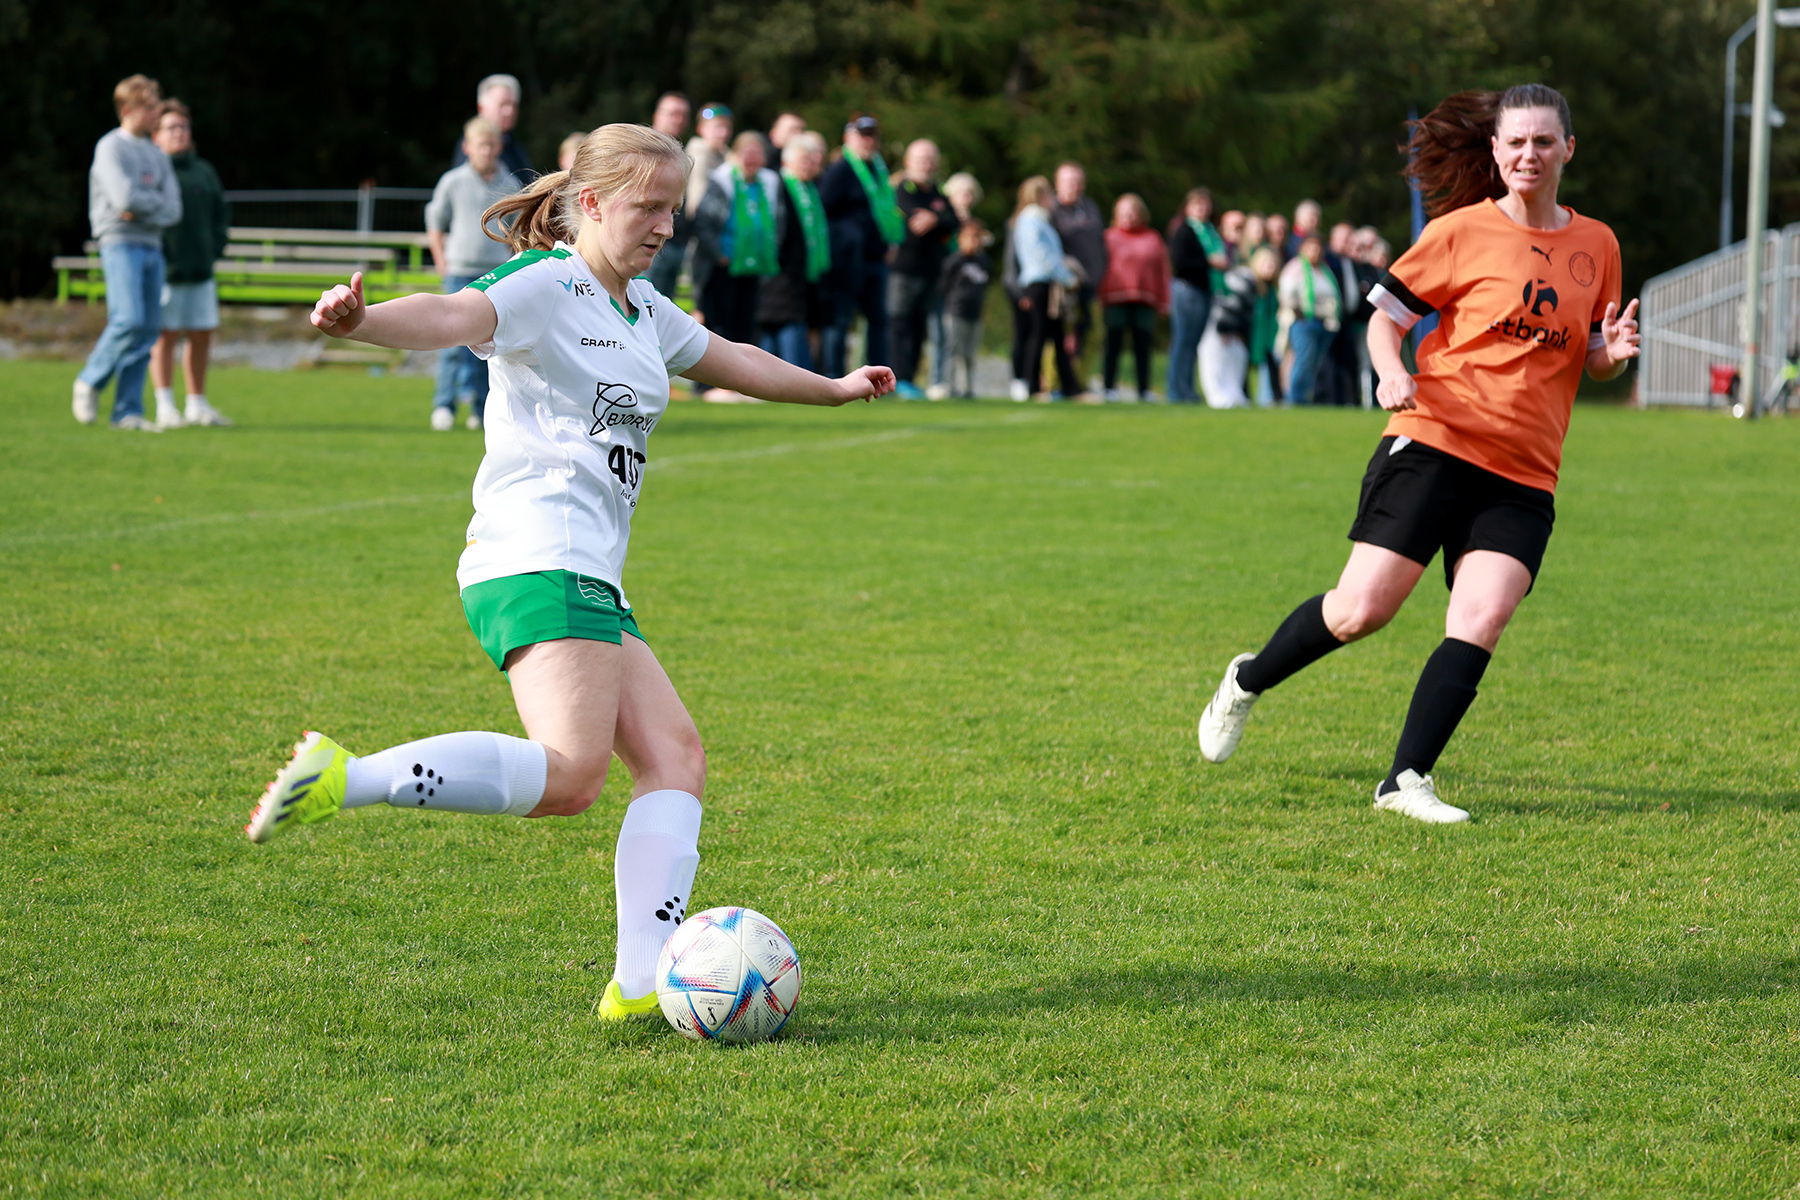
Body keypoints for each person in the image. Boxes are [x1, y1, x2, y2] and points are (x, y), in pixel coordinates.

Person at [248, 125, 896, 1027]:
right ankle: (343, 776)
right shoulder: (547, 285)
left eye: (674, 207)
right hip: (535, 555)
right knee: (572, 777)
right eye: (648, 206)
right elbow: (452, 314)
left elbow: (731, 359)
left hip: (586, 572)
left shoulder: (642, 311)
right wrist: (365, 323)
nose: (666, 225)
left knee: (674, 758)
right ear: (590, 203)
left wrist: (831, 387)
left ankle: (638, 980)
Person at [1197, 84, 1637, 824]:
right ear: (1496, 153)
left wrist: (1613, 356)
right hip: (1435, 439)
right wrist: (1390, 369)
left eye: (1544, 142)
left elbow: (1592, 357)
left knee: (1483, 615)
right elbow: (1385, 318)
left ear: (1569, 149)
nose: (1530, 154)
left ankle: (1405, 780)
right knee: (1361, 610)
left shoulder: (1598, 245)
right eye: (1516, 142)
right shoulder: (1461, 231)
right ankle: (1247, 678)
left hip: (1524, 471)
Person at [73, 74, 182, 431]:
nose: (156, 113)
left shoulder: (156, 154)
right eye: (150, 107)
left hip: (152, 243)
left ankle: (128, 411)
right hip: (119, 241)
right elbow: (122, 199)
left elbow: (174, 209)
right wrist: (146, 205)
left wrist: (141, 206)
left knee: (149, 327)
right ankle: (90, 379)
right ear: (128, 109)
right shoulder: (111, 147)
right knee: (129, 319)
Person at [426, 117, 523, 431]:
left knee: (490, 346)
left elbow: (519, 226)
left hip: (495, 275)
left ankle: (482, 410)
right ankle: (444, 405)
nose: (487, 151)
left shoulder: (510, 185)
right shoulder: (453, 181)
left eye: (492, 145)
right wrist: (442, 260)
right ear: (468, 147)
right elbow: (436, 223)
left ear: (499, 147)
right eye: (481, 145)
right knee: (452, 344)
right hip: (459, 271)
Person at [148, 98, 231, 429]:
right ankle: (165, 405)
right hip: (165, 272)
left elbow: (220, 216)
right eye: (171, 127)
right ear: (156, 135)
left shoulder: (203, 171)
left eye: (183, 127)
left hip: (201, 271)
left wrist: (214, 248)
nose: (179, 133)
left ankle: (197, 404)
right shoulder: (153, 170)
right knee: (165, 337)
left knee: (201, 335)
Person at [819, 113, 903, 376]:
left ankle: (879, 378)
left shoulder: (878, 169)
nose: (868, 141)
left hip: (875, 258)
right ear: (849, 138)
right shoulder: (841, 169)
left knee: (878, 319)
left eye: (872, 135)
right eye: (862, 135)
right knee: (841, 319)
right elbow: (824, 211)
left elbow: (885, 211)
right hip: (847, 261)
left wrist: (890, 241)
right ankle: (833, 376)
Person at [691, 131, 782, 359]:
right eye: (746, 154)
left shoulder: (770, 182)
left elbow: (779, 221)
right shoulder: (721, 180)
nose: (751, 159)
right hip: (723, 265)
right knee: (720, 323)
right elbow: (702, 220)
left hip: (755, 267)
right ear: (735, 155)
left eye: (756, 154)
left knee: (747, 324)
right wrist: (719, 254)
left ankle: (743, 380)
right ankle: (711, 384)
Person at [887, 138, 958, 399]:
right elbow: (909, 215)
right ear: (908, 162)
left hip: (931, 270)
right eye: (921, 159)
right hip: (903, 269)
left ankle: (909, 379)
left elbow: (954, 220)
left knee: (919, 327)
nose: (926, 164)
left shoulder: (939, 192)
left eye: (930, 159)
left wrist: (935, 219)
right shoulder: (901, 189)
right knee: (898, 323)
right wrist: (935, 220)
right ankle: (895, 378)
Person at [757, 132, 830, 369]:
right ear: (787, 161)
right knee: (778, 324)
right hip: (778, 272)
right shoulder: (777, 184)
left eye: (811, 159)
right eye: (803, 159)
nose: (808, 165)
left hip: (799, 274)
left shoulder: (810, 188)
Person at [1011, 175, 1082, 401]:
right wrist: (1067, 277)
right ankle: (1033, 387)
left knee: (1055, 336)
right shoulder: (1032, 220)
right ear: (1041, 195)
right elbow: (1043, 256)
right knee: (1039, 335)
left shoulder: (1039, 220)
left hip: (1048, 283)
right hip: (1040, 284)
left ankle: (1071, 387)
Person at [1096, 193, 1169, 402]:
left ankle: (1143, 389)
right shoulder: (1108, 237)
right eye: (1123, 212)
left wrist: (1165, 300)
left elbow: (1163, 271)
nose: (1128, 216)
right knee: (1113, 344)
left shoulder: (1153, 238)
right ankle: (1109, 387)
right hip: (1115, 298)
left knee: (1143, 346)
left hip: (1145, 299)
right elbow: (1100, 268)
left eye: (1132, 212)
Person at [1164, 187, 1227, 404]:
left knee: (1192, 343)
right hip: (1187, 291)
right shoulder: (1185, 231)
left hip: (1204, 291)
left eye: (1204, 204)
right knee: (1183, 341)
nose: (1201, 209)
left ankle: (1186, 389)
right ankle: (1176, 390)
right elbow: (1180, 264)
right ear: (1187, 208)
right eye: (1197, 205)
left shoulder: (1210, 231)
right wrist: (1209, 262)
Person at [1199, 244, 1278, 409]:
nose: (1271, 268)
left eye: (1274, 264)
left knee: (1236, 360)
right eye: (1267, 263)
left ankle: (1233, 396)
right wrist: (1226, 329)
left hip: (1235, 332)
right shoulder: (1244, 278)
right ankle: (1217, 397)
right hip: (1221, 328)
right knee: (1216, 361)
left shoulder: (1262, 287)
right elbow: (1228, 304)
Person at [1050, 162, 1108, 376]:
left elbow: (1100, 243)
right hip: (1064, 287)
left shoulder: (1090, 207)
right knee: (1060, 336)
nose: (1074, 186)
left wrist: (1101, 270)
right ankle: (1055, 382)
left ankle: (1078, 380)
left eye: (1077, 182)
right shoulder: (1052, 210)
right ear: (1057, 184)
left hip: (1090, 283)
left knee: (1089, 334)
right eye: (1068, 182)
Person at [932, 172, 983, 398]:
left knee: (967, 351)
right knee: (946, 344)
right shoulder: (945, 221)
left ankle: (966, 387)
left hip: (972, 306)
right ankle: (941, 382)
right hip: (952, 301)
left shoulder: (980, 252)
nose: (966, 197)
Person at [1276, 232, 1342, 406]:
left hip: (1323, 322)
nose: (1314, 250)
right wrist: (1299, 311)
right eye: (1310, 246)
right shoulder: (1295, 268)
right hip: (1303, 321)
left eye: (1317, 247)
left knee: (1314, 363)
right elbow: (1287, 294)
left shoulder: (1323, 270)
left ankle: (1304, 396)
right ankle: (1294, 397)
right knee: (1303, 359)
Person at [938, 219, 992, 399]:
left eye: (977, 238)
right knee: (954, 351)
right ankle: (951, 386)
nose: (973, 242)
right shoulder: (954, 261)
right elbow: (945, 286)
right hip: (956, 312)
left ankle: (967, 388)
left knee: (969, 354)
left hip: (974, 313)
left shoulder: (984, 262)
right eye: (969, 238)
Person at [645, 92, 691, 298]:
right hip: (648, 241)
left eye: (683, 115)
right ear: (657, 115)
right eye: (673, 113)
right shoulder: (643, 150)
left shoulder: (681, 153)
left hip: (677, 242)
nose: (679, 119)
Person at [452, 75, 533, 180]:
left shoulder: (513, 145)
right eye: (503, 104)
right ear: (481, 108)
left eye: (513, 105)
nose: (510, 111)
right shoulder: (471, 149)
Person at [684, 103, 733, 218]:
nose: (723, 133)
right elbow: (698, 188)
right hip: (699, 220)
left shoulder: (726, 154)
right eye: (717, 127)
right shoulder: (698, 151)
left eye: (727, 127)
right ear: (701, 129)